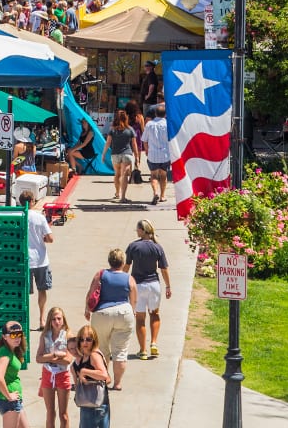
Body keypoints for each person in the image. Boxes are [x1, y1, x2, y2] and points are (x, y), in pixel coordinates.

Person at [85, 248, 137, 390]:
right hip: (123, 313)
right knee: (120, 351)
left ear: (110, 261)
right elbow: (133, 298)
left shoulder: (101, 274)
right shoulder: (129, 278)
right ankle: (118, 383)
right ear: (123, 262)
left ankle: (104, 378)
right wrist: (132, 311)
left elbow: (91, 292)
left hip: (102, 313)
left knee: (101, 349)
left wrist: (87, 309)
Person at [126, 220, 172, 359]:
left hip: (138, 286)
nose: (136, 232)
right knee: (155, 314)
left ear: (142, 230)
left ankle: (143, 350)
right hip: (154, 285)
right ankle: (154, 343)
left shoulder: (133, 246)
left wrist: (121, 282)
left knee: (140, 319)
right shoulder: (158, 248)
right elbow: (164, 269)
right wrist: (168, 286)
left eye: (137, 229)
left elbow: (126, 267)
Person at [22, 191, 54, 328]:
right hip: (41, 259)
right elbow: (50, 238)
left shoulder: (19, 216)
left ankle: (24, 319)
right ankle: (41, 320)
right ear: (33, 201)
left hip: (25, 260)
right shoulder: (39, 218)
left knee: (24, 293)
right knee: (42, 290)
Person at [35, 308, 72, 428]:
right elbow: (38, 358)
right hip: (48, 374)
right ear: (49, 321)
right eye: (53, 319)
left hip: (62, 374)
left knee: (63, 414)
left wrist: (47, 358)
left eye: (59, 318)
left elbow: (68, 359)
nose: (56, 321)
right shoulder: (45, 335)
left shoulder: (68, 335)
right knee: (50, 413)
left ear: (63, 320)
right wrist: (55, 355)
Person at [69, 325, 111, 428]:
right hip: (91, 403)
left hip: (95, 404)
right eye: (82, 340)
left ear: (94, 340)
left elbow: (105, 375)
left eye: (88, 339)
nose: (85, 343)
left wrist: (84, 371)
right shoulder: (84, 358)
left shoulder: (94, 355)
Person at [0, 320, 28, 427]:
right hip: (9, 402)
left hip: (14, 401)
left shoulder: (11, 350)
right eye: (13, 335)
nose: (17, 337)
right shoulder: (5, 353)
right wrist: (9, 396)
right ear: (4, 337)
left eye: (19, 334)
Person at [102, 111, 136, 202]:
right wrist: (137, 156)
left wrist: (104, 154)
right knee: (124, 175)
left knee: (117, 174)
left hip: (115, 154)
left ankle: (117, 193)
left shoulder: (112, 130)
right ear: (126, 118)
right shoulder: (130, 129)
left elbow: (108, 143)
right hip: (127, 154)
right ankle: (123, 197)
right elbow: (134, 144)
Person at [142, 106, 171, 205]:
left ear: (155, 114)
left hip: (153, 154)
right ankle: (162, 196)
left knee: (154, 175)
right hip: (165, 154)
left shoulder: (149, 124)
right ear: (165, 115)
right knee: (163, 175)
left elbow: (144, 140)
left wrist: (146, 150)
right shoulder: (168, 124)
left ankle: (155, 193)